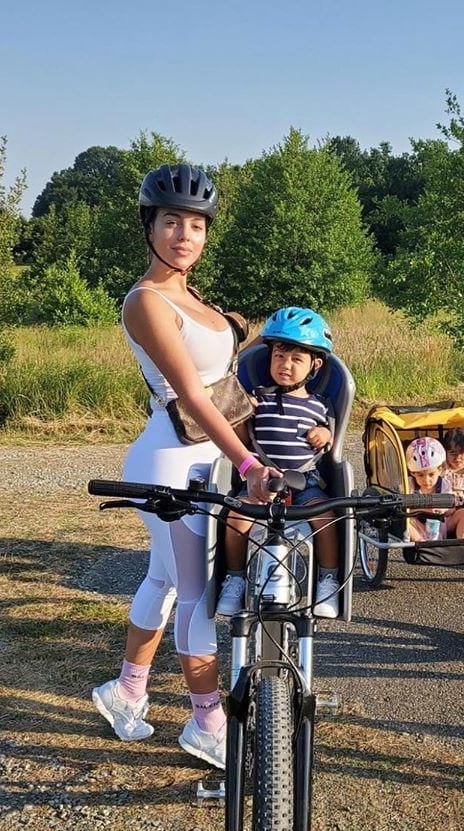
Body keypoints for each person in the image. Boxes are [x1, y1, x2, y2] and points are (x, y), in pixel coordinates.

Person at [91, 163, 280, 769]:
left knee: (164, 580)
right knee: (195, 592)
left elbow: (223, 381)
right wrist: (248, 461)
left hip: (209, 452)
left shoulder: (194, 296)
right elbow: (193, 395)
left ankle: (125, 692)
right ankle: (206, 723)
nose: (185, 234)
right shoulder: (146, 301)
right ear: (150, 225)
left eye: (196, 224)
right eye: (172, 221)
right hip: (173, 459)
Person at [215, 306, 342, 620]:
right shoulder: (258, 399)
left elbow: (331, 441)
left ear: (315, 365)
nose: (285, 365)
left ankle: (328, 578)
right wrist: (243, 414)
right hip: (261, 482)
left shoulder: (319, 405)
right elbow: (243, 441)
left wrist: (325, 434)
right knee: (236, 519)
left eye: (296, 359)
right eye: (278, 357)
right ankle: (235, 578)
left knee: (325, 518)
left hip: (305, 482)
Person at [404, 437, 462, 541]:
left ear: (440, 470)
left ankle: (463, 542)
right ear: (413, 473)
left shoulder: (444, 484)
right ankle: (421, 544)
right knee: (405, 521)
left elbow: (452, 509)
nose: (426, 480)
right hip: (418, 525)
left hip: (439, 524)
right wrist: (422, 509)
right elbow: (403, 508)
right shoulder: (410, 484)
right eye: (420, 475)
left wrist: (444, 509)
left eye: (431, 474)